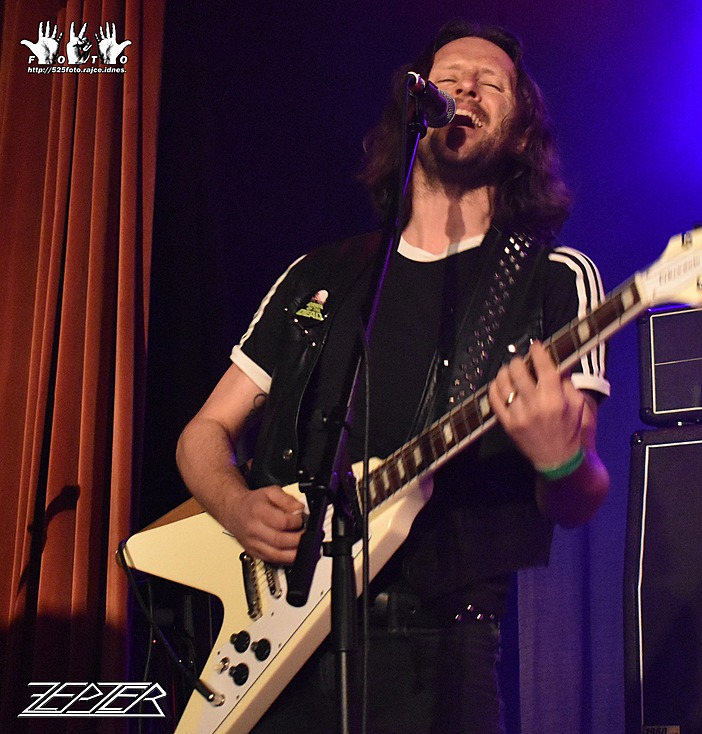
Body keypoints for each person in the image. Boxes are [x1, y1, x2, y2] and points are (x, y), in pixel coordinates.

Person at [175, 20, 610, 734]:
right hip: (278, 641)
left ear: (523, 136)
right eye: (448, 78)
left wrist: (560, 459)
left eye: (491, 84)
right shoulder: (322, 275)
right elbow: (204, 432)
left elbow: (579, 498)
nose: (466, 88)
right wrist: (235, 506)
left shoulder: (552, 280)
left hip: (439, 649)